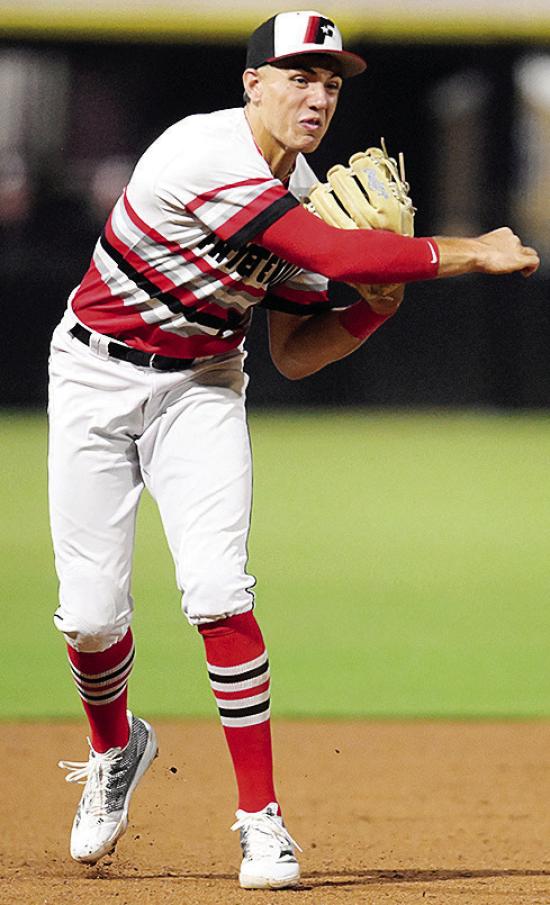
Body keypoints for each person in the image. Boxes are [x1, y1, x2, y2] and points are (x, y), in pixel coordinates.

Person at [50, 9, 539, 891]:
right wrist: (469, 250)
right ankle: (115, 747)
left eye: (332, 82)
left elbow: (294, 353)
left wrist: (375, 307)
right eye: (299, 77)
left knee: (218, 591)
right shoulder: (201, 154)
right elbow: (323, 248)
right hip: (93, 376)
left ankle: (261, 823)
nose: (317, 96)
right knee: (89, 617)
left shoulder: (305, 192)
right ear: (253, 85)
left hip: (201, 386)